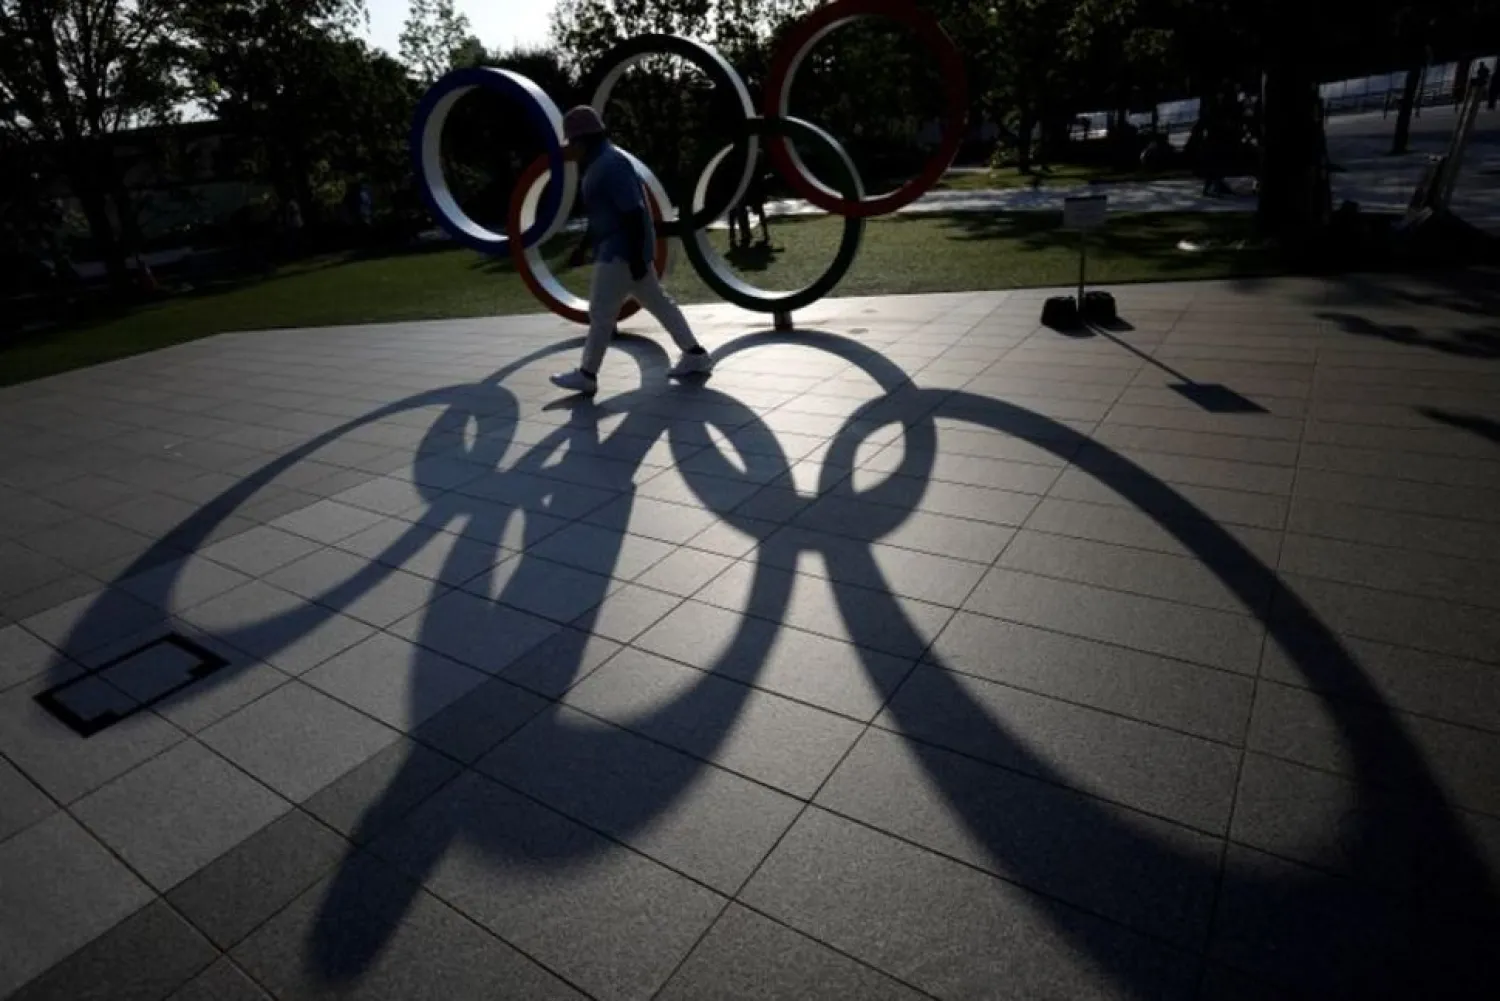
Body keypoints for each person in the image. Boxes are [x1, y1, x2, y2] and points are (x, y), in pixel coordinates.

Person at [550, 106, 713, 395]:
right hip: (621, 251)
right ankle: (696, 355)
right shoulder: (602, 161)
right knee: (659, 303)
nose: (570, 151)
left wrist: (637, 257)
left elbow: (635, 213)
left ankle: (587, 374)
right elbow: (604, 214)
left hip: (620, 253)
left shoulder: (610, 165)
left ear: (581, 140)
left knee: (601, 312)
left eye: (571, 143)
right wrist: (583, 248)